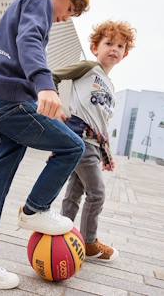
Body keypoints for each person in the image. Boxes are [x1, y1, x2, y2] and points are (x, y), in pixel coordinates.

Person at [0, 0, 90, 290]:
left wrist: (43, 93)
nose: (64, 18)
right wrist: (44, 86)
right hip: (10, 102)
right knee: (73, 147)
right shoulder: (40, 0)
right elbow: (29, 41)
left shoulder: (23, 4)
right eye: (71, 10)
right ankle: (35, 210)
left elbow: (20, 47)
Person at [53, 20, 136, 262]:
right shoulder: (89, 68)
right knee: (97, 193)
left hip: (93, 144)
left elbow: (101, 121)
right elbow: (53, 76)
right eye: (109, 43)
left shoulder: (110, 85)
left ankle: (61, 233)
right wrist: (56, 104)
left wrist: (105, 151)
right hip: (79, 138)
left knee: (75, 190)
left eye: (120, 46)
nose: (114, 49)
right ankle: (88, 242)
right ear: (95, 47)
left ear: (125, 54)